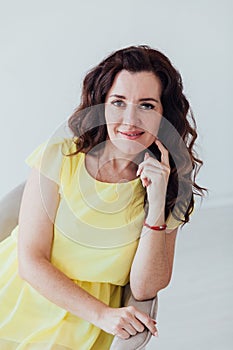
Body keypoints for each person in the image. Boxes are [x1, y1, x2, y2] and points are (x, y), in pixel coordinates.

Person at [0, 45, 206, 349]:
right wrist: (103, 315)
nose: (130, 119)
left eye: (147, 106)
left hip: (79, 329)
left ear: (164, 116)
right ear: (101, 105)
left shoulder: (171, 186)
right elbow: (30, 262)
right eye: (118, 102)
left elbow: (145, 286)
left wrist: (157, 203)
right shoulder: (61, 155)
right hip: (18, 294)